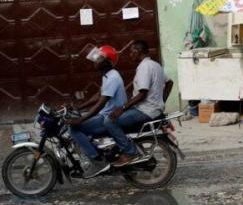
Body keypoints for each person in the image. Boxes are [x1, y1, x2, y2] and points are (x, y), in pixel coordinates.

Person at [104, 40, 173, 168]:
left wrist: (122, 108)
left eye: (131, 51)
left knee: (109, 121)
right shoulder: (155, 65)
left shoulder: (144, 67)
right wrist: (161, 102)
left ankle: (130, 153)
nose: (130, 54)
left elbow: (142, 94)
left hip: (145, 110)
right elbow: (170, 83)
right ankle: (119, 147)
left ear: (138, 51)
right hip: (153, 109)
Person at [67, 45, 126, 176]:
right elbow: (98, 96)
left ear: (108, 61)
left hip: (108, 117)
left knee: (74, 129)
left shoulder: (112, 77)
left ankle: (97, 160)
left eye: (99, 58)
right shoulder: (107, 76)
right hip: (105, 114)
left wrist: (81, 119)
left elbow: (101, 102)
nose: (95, 61)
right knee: (81, 123)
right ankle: (98, 152)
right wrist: (79, 108)